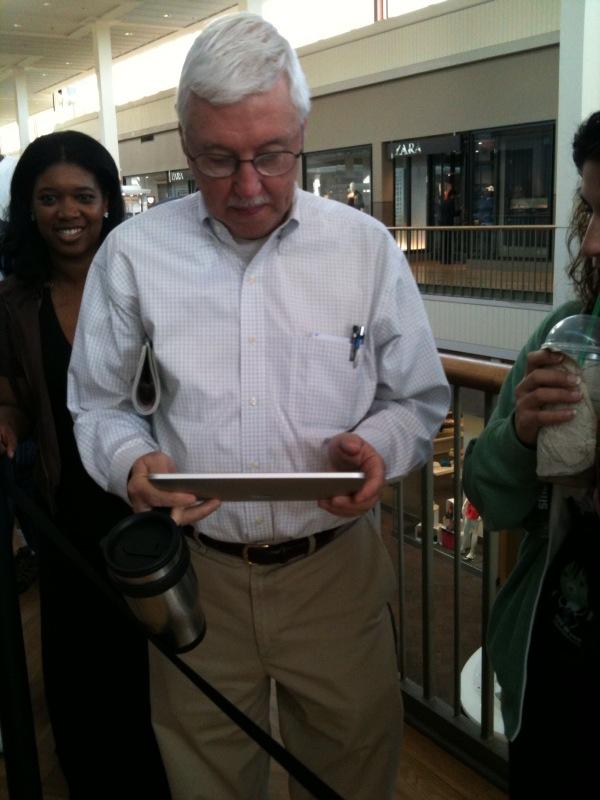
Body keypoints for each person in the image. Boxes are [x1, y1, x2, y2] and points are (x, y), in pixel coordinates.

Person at [68, 14, 450, 800]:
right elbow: (99, 405)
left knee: (350, 776)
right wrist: (133, 461)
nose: (247, 186)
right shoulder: (133, 255)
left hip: (336, 574)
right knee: (205, 780)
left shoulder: (365, 249)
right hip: (195, 574)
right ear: (185, 145)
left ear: (302, 135)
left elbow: (415, 397)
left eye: (272, 155)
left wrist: (380, 445)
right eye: (219, 159)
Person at [0, 131, 170, 799]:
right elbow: (13, 392)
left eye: (82, 196)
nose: (67, 212)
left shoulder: (147, 279)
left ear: (107, 203)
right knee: (78, 672)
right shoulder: (15, 301)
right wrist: (6, 422)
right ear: (28, 206)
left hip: (149, 499)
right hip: (65, 507)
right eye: (48, 198)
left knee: (155, 664)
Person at [463, 110, 600, 798]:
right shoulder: (564, 336)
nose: (594, 242)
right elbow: (487, 496)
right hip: (552, 674)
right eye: (591, 212)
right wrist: (519, 435)